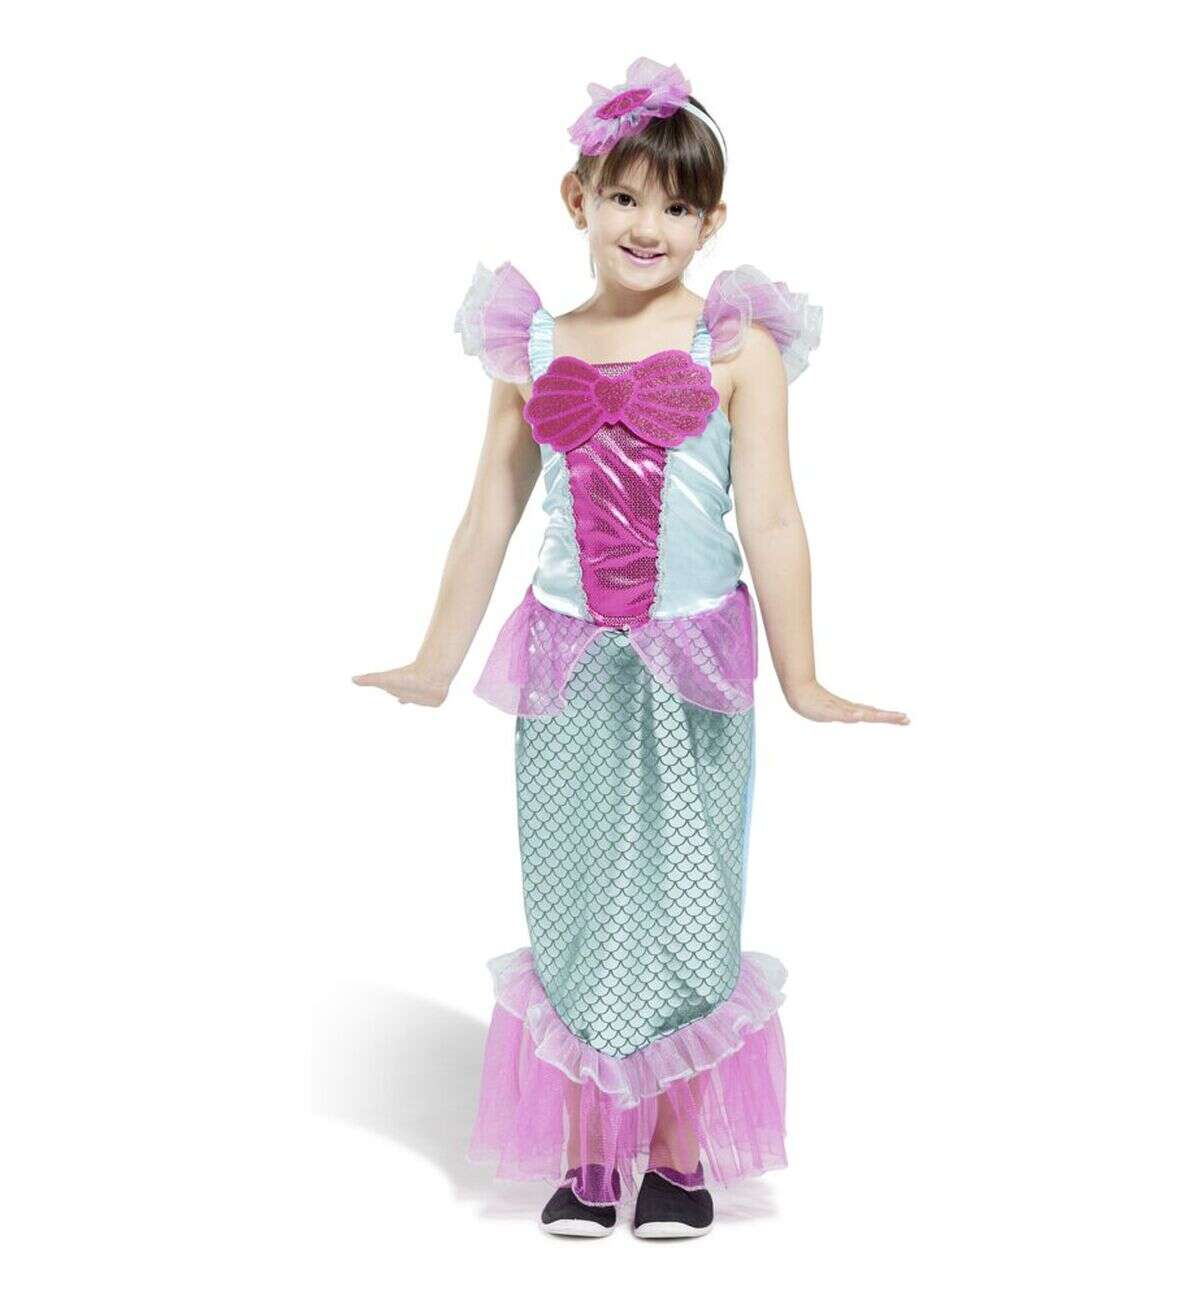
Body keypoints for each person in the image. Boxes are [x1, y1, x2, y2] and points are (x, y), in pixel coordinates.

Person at [354, 55, 909, 1239]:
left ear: (713, 221)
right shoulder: (531, 345)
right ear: (578, 199)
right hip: (568, 666)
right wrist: (433, 663)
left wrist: (805, 678)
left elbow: (771, 515)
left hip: (693, 665)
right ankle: (588, 1150)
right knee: (574, 901)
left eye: (675, 205)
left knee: (690, 905)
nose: (646, 225)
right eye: (622, 197)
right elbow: (489, 514)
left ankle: (675, 1149)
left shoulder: (734, 346)